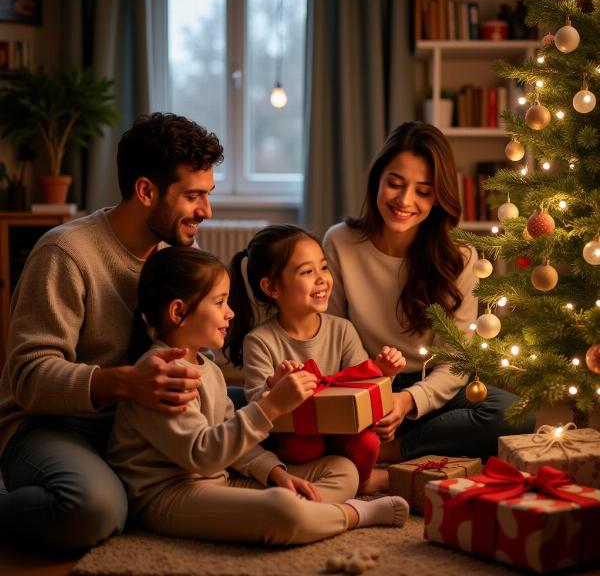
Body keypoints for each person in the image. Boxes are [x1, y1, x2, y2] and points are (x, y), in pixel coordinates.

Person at [0, 112, 223, 550]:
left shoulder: (177, 250)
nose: (207, 211)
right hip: (51, 426)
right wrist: (127, 383)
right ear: (145, 191)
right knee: (95, 510)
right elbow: (27, 376)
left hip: (137, 420)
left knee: (261, 405)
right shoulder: (65, 252)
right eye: (194, 196)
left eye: (208, 195)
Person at [108, 246, 409, 544]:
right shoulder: (159, 374)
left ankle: (307, 514)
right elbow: (203, 455)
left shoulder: (208, 369)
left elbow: (233, 441)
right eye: (219, 302)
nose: (230, 312)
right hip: (169, 493)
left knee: (342, 470)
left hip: (218, 478)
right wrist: (271, 405)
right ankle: (351, 514)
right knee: (282, 511)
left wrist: (276, 472)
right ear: (178, 312)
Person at [322, 121, 536, 463]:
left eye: (423, 191)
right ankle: (378, 447)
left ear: (438, 197)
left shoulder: (461, 257)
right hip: (363, 380)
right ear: (377, 178)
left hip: (430, 387)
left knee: (513, 412)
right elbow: (330, 334)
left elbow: (455, 362)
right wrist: (374, 394)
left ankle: (389, 454)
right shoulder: (340, 241)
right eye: (394, 183)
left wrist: (406, 401)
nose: (405, 201)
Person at [225, 225, 406, 495]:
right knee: (305, 447)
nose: (322, 279)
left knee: (368, 444)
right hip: (295, 435)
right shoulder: (260, 340)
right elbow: (256, 406)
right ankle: (321, 476)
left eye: (323, 267)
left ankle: (362, 480)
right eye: (307, 272)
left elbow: (364, 385)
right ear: (272, 287)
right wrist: (275, 385)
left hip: (339, 430)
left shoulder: (341, 329)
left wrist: (385, 371)